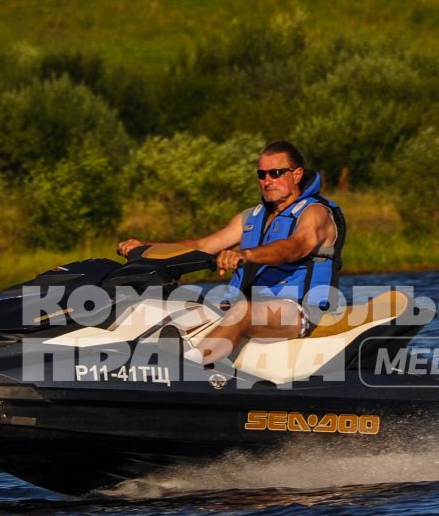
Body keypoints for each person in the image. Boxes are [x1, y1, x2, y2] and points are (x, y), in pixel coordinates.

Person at [117, 139, 344, 366]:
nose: (267, 181)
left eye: (275, 173)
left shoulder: (316, 212)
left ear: (296, 175)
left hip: (300, 311)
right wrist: (146, 247)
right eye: (261, 174)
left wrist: (246, 255)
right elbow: (201, 246)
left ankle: (189, 368)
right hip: (246, 306)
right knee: (176, 306)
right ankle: (130, 363)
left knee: (244, 310)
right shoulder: (251, 217)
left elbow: (295, 247)